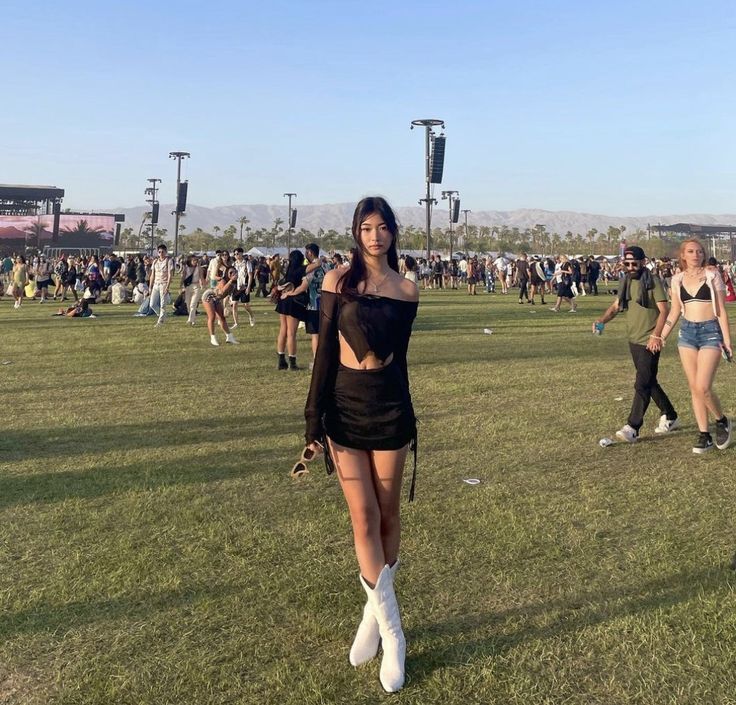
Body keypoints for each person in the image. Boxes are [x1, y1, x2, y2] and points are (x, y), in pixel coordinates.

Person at [303, 197, 418, 693]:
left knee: (389, 514)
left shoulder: (408, 290)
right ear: (356, 233)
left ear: (393, 233)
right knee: (363, 517)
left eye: (383, 227)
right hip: (344, 410)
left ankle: (373, 615)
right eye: (366, 228)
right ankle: (394, 635)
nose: (375, 236)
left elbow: (402, 361)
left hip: (389, 407)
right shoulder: (336, 282)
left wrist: (411, 414)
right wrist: (313, 417)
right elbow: (324, 352)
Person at [593, 245, 679, 443]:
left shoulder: (653, 282)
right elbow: (616, 307)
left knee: (641, 383)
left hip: (650, 340)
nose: (630, 267)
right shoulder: (625, 282)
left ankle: (632, 426)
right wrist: (601, 321)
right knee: (649, 381)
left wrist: (657, 336)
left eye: (634, 263)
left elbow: (664, 310)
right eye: (627, 263)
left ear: (643, 262)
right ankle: (671, 415)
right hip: (634, 339)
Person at [661, 239, 732, 453]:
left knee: (703, 386)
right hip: (687, 333)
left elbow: (721, 310)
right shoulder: (677, 280)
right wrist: (661, 336)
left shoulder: (712, 276)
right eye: (691, 251)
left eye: (699, 251)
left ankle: (721, 420)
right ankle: (704, 434)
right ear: (683, 255)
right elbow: (674, 311)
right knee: (694, 387)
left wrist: (727, 341)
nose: (695, 255)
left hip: (711, 332)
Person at [275, 249, 309, 370]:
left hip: (283, 301)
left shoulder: (288, 271)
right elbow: (314, 266)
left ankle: (280, 360)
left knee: (283, 330)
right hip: (293, 302)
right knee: (291, 333)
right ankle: (292, 362)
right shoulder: (300, 270)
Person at [200, 266, 240, 346]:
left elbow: (228, 295)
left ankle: (229, 337)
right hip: (209, 296)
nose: (233, 274)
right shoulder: (223, 281)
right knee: (212, 317)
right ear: (227, 274)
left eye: (234, 272)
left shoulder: (234, 283)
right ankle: (213, 338)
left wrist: (227, 306)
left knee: (222, 318)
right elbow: (221, 292)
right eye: (230, 273)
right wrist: (231, 281)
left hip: (217, 299)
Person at [149, 243, 173, 327]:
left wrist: (167, 286)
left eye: (163, 252)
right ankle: (162, 315)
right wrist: (150, 286)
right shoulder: (155, 261)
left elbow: (170, 274)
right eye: (159, 252)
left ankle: (160, 321)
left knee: (163, 304)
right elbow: (152, 274)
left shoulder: (168, 261)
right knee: (152, 304)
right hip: (156, 284)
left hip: (163, 284)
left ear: (166, 252)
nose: (161, 253)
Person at [230, 248, 255, 328]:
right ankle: (236, 323)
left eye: (237, 253)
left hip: (244, 286)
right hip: (235, 286)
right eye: (235, 254)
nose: (236, 255)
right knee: (234, 304)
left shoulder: (247, 263)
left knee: (246, 305)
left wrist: (248, 287)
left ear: (241, 254)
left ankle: (251, 317)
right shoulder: (234, 264)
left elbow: (250, 275)